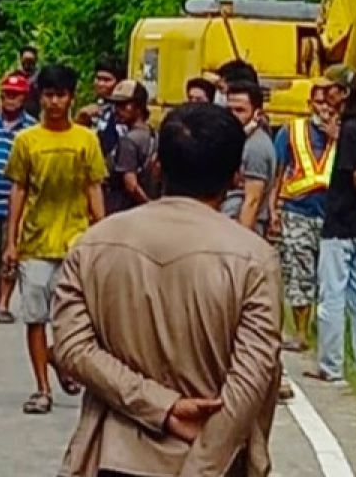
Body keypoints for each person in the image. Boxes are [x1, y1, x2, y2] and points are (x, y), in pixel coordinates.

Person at [53, 103, 283, 476]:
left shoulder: (93, 245)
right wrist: (203, 465)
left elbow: (73, 348)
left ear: (157, 164)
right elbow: (251, 380)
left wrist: (161, 406)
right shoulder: (254, 259)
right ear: (237, 175)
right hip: (219, 463)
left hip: (115, 455)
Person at [3, 63, 106, 415]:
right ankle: (42, 388)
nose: (54, 102)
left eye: (60, 95)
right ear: (40, 98)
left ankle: (62, 360)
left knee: (72, 320)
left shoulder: (86, 140)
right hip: (35, 243)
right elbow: (17, 189)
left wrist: (101, 234)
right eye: (48, 95)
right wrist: (12, 241)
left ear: (72, 98)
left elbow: (94, 187)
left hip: (75, 241)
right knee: (35, 318)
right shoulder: (26, 141)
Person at [309, 66, 356, 385]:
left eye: (330, 88)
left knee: (332, 297)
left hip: (341, 224)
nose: (325, 93)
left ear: (343, 93)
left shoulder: (351, 130)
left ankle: (331, 367)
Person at [271, 80, 335, 353]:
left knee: (328, 279)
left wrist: (337, 136)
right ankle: (300, 333)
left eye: (330, 104)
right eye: (320, 103)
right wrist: (273, 208)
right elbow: (279, 170)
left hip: (333, 215)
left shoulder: (348, 134)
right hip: (297, 210)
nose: (325, 109)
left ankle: (328, 336)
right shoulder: (291, 131)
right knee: (299, 274)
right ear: (310, 105)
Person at [0, 73, 36, 323]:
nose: (10, 100)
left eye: (16, 95)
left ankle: (3, 303)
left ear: (24, 98)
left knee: (9, 252)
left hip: (16, 203)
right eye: (7, 94)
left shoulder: (32, 128)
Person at [221, 81, 276, 236]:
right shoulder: (238, 140)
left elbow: (252, 201)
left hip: (242, 228)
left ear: (257, 113)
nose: (232, 116)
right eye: (229, 110)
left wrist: (240, 241)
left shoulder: (256, 146)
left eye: (240, 110)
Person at [103, 80, 156, 214]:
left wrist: (150, 207)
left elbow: (131, 186)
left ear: (138, 106)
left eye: (123, 105)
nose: (117, 110)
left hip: (124, 209)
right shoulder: (153, 134)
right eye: (115, 105)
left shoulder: (128, 141)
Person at [76, 58, 125, 157]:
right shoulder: (94, 107)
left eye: (106, 80)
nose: (101, 84)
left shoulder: (123, 110)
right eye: (98, 79)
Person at [16, 45, 42, 117]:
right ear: (21, 59)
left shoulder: (41, 77)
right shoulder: (14, 75)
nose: (28, 63)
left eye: (30, 60)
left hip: (35, 116)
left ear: (35, 60)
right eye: (25, 60)